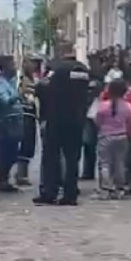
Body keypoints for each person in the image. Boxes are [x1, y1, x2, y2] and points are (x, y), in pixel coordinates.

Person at [35, 40, 90, 206]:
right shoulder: (82, 69)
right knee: (72, 158)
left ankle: (49, 192)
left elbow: (43, 88)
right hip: (77, 118)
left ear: (60, 51)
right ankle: (70, 194)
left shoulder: (57, 69)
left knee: (51, 156)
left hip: (57, 118)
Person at [95, 77, 131, 198]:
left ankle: (106, 189)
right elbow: (129, 120)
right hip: (122, 136)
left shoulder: (103, 106)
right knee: (120, 163)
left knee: (105, 163)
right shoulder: (128, 106)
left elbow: (97, 121)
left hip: (105, 136)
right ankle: (119, 188)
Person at [0, 55, 23, 192]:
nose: (15, 68)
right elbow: (4, 100)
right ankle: (2, 179)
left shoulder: (11, 82)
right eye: (12, 65)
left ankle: (5, 177)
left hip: (15, 121)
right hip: (6, 122)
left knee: (12, 151)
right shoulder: (1, 83)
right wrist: (18, 96)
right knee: (5, 151)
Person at [16, 59, 37, 186]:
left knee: (29, 144)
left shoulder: (32, 78)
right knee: (25, 143)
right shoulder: (21, 79)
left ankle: (22, 173)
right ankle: (20, 174)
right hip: (24, 113)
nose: (33, 65)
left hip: (31, 113)